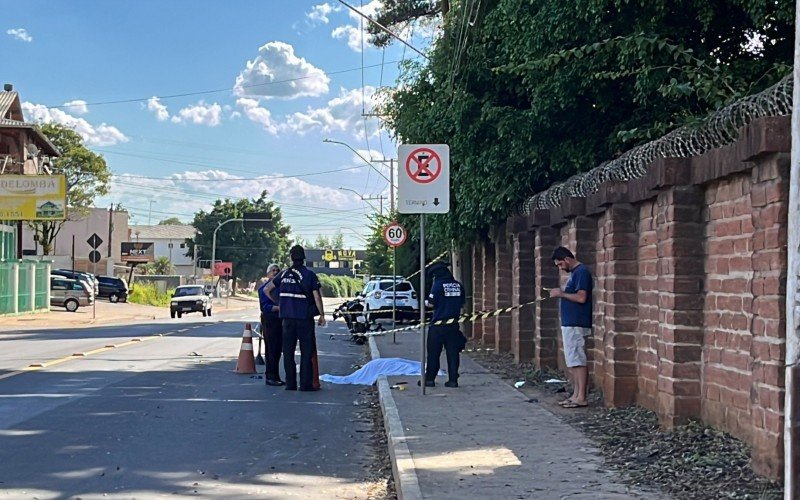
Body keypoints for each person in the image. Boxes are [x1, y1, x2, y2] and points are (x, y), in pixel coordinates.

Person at [264, 245, 326, 391]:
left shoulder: (284, 274)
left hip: (287, 319)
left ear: (291, 257)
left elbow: (267, 289)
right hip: (304, 319)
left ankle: (290, 384)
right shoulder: (309, 275)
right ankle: (305, 384)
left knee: (288, 351)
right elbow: (316, 296)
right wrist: (322, 315)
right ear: (304, 258)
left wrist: (280, 303)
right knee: (306, 351)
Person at [549, 246, 593, 408]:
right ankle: (576, 394)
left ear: (567, 259)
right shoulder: (575, 274)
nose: (561, 268)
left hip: (577, 322)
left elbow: (582, 297)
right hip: (570, 323)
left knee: (577, 359)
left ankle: (581, 396)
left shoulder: (581, 272)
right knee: (573, 360)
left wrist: (561, 293)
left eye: (560, 264)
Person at [423, 261, 466, 388]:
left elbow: (431, 304)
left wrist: (425, 302)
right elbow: (462, 304)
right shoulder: (458, 285)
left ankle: (430, 379)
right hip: (453, 325)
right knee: (453, 353)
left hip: (437, 326)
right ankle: (453, 380)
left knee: (433, 353)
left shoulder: (437, 285)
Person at [258, 263, 284, 386]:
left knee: (278, 349)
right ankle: (270, 376)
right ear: (268, 273)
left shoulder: (283, 287)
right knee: (271, 349)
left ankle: (276, 375)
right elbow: (265, 307)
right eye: (273, 270)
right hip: (270, 320)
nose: (275, 272)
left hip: (281, 320)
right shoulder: (263, 289)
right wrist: (278, 308)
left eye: (277, 270)